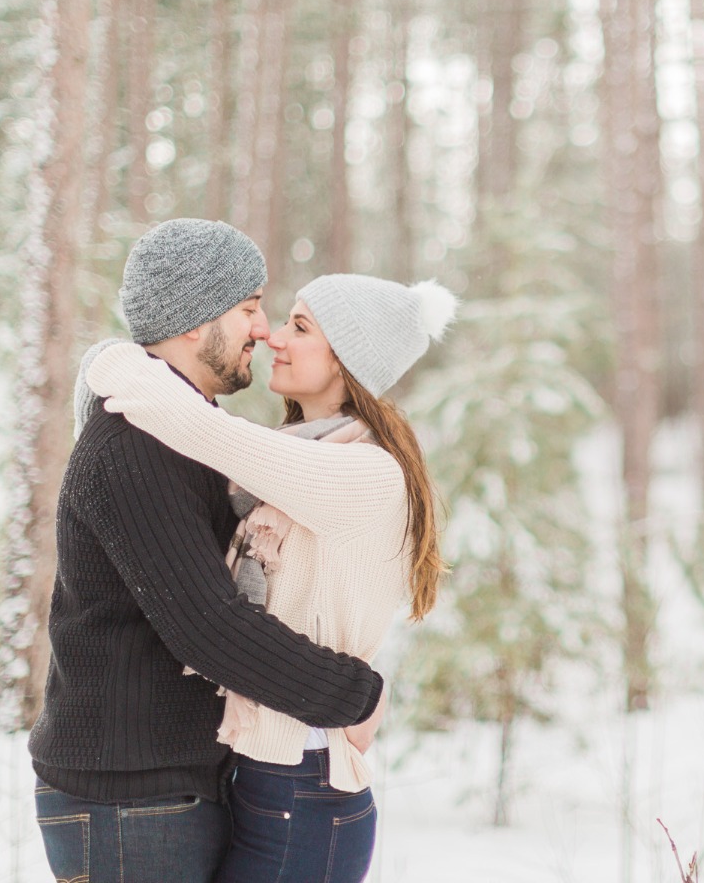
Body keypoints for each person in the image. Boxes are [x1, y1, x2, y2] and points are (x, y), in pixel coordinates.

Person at [30, 220, 385, 883]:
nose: (264, 328)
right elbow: (208, 626)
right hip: (129, 797)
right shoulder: (137, 444)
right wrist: (356, 694)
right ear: (196, 322)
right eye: (249, 308)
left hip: (156, 784)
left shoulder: (179, 433)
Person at [85, 271, 455, 883]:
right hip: (268, 776)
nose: (274, 337)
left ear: (349, 360)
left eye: (300, 327)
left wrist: (117, 360)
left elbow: (202, 430)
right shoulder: (300, 454)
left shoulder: (363, 473)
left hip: (307, 786)